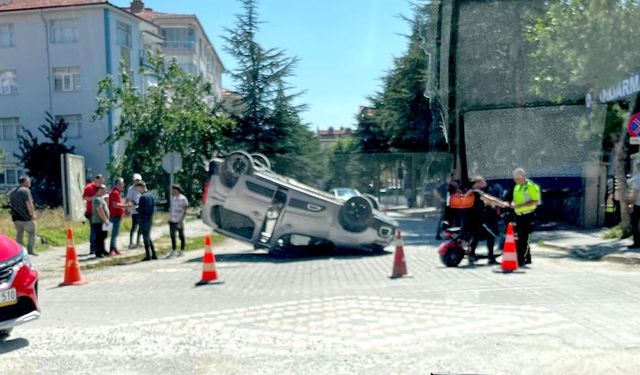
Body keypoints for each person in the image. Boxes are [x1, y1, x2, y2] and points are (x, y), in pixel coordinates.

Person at [465, 176, 506, 265]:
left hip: (472, 221)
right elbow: (489, 199)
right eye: (482, 181)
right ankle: (490, 258)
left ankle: (472, 256)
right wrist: (503, 204)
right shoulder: (476, 192)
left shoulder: (470, 192)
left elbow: (487, 202)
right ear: (477, 183)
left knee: (475, 238)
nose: (484, 183)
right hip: (476, 221)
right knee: (491, 236)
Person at [509, 168, 541, 266]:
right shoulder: (517, 187)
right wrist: (513, 203)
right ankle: (527, 258)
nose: (514, 179)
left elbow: (535, 201)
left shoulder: (532, 186)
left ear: (522, 176)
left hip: (528, 215)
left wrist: (519, 206)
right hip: (518, 215)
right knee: (522, 237)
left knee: (523, 237)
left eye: (516, 177)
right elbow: (515, 199)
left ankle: (520, 260)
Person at [8, 176, 37, 255]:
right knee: (32, 232)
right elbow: (29, 204)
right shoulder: (26, 190)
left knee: (19, 233)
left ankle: (19, 251)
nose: (29, 182)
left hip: (15, 217)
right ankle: (30, 250)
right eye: (28, 181)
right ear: (24, 182)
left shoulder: (12, 192)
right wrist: (32, 214)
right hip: (26, 217)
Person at [136, 181, 157, 261]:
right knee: (148, 236)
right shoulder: (151, 196)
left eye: (138, 188)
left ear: (141, 187)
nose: (138, 190)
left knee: (145, 238)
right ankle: (154, 254)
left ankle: (148, 255)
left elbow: (141, 209)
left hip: (144, 219)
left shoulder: (143, 197)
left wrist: (136, 209)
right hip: (149, 218)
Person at [83, 174, 104, 255]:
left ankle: (98, 247)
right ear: (96, 180)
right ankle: (92, 248)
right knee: (94, 230)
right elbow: (85, 198)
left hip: (99, 212)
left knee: (99, 231)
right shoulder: (89, 187)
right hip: (91, 212)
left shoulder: (100, 187)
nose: (102, 182)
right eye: (101, 180)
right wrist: (94, 197)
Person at [167, 184, 189, 258]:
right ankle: (174, 250)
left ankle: (182, 250)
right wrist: (169, 218)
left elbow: (185, 210)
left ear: (177, 190)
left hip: (179, 220)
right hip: (173, 219)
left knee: (181, 235)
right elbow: (171, 210)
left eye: (173, 189)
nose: (172, 191)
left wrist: (182, 220)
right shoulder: (172, 198)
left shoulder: (183, 198)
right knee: (172, 235)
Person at [108, 178, 127, 256]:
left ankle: (114, 248)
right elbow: (115, 205)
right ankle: (111, 249)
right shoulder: (115, 192)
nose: (123, 185)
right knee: (114, 234)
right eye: (122, 184)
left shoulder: (117, 192)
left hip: (117, 216)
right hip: (114, 216)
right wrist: (126, 205)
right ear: (117, 184)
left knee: (116, 233)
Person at [91, 184, 111, 258]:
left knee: (103, 236)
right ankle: (98, 252)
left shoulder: (101, 198)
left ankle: (103, 250)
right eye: (104, 189)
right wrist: (105, 220)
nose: (105, 191)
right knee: (99, 237)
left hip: (103, 222)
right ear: (100, 189)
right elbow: (100, 210)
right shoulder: (97, 199)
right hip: (99, 222)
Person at [126, 173, 143, 249]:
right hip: (134, 210)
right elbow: (128, 199)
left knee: (141, 227)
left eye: (138, 180)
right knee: (134, 226)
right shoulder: (131, 189)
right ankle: (131, 242)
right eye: (136, 180)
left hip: (141, 210)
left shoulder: (142, 188)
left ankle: (138, 242)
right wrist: (128, 208)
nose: (137, 181)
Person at [630, 167, 640, 249]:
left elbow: (635, 192)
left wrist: (631, 205)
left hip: (638, 204)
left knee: (635, 223)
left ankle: (637, 242)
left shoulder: (637, 178)